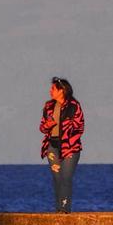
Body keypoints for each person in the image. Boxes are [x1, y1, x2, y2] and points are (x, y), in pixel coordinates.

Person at [39, 77, 84, 213]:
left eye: (53, 89)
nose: (50, 91)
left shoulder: (74, 106)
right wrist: (48, 125)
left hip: (70, 148)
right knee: (57, 179)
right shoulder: (48, 107)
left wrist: (69, 141)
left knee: (66, 178)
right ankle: (58, 209)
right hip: (52, 146)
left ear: (62, 90)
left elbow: (80, 127)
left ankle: (65, 209)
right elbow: (42, 127)